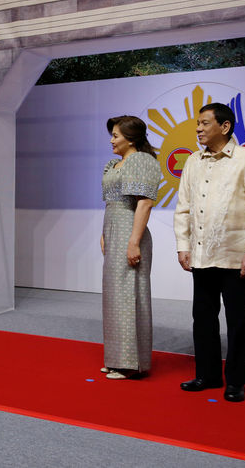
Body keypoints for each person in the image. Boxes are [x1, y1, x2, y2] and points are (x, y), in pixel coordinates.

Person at [174, 102, 245, 402]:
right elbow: (183, 209)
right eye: (198, 124)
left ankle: (236, 381)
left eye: (204, 123)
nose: (199, 129)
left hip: (234, 255)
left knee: (238, 320)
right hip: (201, 255)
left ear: (225, 126)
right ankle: (208, 375)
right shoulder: (192, 161)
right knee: (202, 318)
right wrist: (183, 246)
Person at [100, 115, 161, 379]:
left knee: (129, 295)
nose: (112, 140)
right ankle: (116, 358)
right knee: (114, 295)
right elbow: (110, 202)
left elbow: (144, 203)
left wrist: (134, 241)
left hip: (129, 230)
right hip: (114, 230)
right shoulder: (114, 163)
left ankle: (131, 363)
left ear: (131, 138)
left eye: (116, 135)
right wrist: (104, 233)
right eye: (112, 135)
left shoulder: (141, 160)